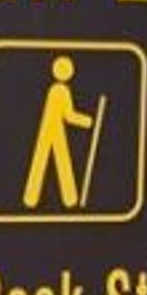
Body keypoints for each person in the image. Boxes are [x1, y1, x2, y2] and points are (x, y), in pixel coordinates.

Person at [22, 54, 98, 211]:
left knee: (46, 164)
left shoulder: (56, 89)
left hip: (51, 130)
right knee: (59, 164)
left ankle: (33, 199)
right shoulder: (60, 90)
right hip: (52, 131)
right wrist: (88, 121)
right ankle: (67, 199)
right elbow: (69, 116)